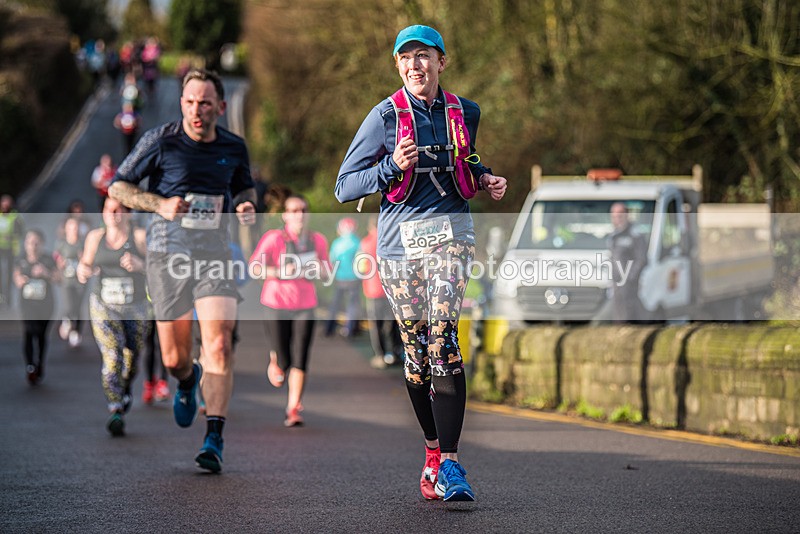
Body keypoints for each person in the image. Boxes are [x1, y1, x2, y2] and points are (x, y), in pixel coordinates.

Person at [335, 25, 507, 502]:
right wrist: (392, 164)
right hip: (397, 249)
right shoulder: (384, 117)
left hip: (452, 236)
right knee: (416, 358)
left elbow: (466, 160)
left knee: (443, 337)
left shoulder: (465, 112)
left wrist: (487, 179)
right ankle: (432, 453)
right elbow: (344, 186)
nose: (416, 64)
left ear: (441, 62)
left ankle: (451, 464)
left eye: (425, 56)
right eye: (406, 57)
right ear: (397, 65)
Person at [108, 68, 257, 472]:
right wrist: (159, 204)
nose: (197, 110)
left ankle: (214, 436)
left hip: (213, 251)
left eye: (205, 103)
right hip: (167, 251)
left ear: (220, 108)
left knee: (220, 344)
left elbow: (244, 187)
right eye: (190, 102)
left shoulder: (234, 146)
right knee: (174, 359)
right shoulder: (160, 140)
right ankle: (188, 382)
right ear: (182, 104)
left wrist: (244, 205)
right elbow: (117, 186)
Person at [249, 194, 329, 427]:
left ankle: (293, 408)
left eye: (303, 210)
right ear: (285, 215)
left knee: (301, 357)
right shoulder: (274, 238)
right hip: (276, 303)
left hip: (306, 305)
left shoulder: (317, 240)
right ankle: (276, 358)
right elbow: (254, 268)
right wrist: (281, 271)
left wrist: (318, 270)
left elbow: (327, 273)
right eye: (294, 210)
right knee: (284, 361)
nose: (299, 215)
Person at [77, 197, 151, 436]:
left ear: (128, 213)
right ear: (104, 212)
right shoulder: (95, 237)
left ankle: (126, 386)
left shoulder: (139, 236)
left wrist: (141, 265)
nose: (115, 214)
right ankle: (115, 407)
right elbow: (84, 266)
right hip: (103, 305)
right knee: (112, 356)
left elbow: (159, 268)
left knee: (131, 357)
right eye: (111, 209)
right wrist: (84, 271)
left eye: (120, 209)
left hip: (136, 307)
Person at [14, 229, 60, 385]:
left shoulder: (47, 259)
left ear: (42, 244)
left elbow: (58, 278)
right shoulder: (20, 259)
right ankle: (30, 366)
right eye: (29, 242)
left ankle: (40, 364)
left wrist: (45, 273)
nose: (33, 246)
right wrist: (21, 280)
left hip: (46, 305)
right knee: (28, 332)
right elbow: (16, 278)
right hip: (27, 304)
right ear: (25, 244)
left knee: (41, 335)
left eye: (36, 243)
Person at [359, 215, 402, 369]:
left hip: (373, 289)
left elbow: (362, 267)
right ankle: (395, 353)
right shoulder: (393, 240)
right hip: (392, 288)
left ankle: (380, 355)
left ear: (371, 227)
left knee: (376, 324)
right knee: (392, 323)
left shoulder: (366, 242)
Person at [608, 202, 648, 323]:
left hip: (629, 283)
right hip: (616, 283)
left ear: (627, 215)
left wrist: (630, 277)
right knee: (618, 314)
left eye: (620, 215)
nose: (617, 219)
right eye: (614, 216)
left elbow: (641, 259)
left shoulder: (635, 235)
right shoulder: (613, 235)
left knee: (630, 313)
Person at [324, 217, 361, 338]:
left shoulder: (337, 243)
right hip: (354, 278)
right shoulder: (358, 242)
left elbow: (332, 260)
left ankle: (329, 329)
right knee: (352, 306)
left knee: (335, 304)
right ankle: (350, 329)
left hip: (340, 278)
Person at [54, 216, 86, 348]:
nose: (74, 230)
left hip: (80, 281)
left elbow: (89, 258)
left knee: (78, 306)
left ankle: (76, 332)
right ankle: (67, 321)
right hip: (66, 280)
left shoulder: (82, 243)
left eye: (76, 227)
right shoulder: (62, 243)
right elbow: (56, 256)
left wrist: (83, 258)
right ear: (66, 229)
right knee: (69, 305)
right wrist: (59, 263)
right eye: (71, 227)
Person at [0, 194, 24, 306]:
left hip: (10, 249)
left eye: (8, 202)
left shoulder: (15, 216)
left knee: (8, 274)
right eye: (3, 202)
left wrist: (11, 236)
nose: (5, 205)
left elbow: (20, 232)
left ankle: (7, 297)